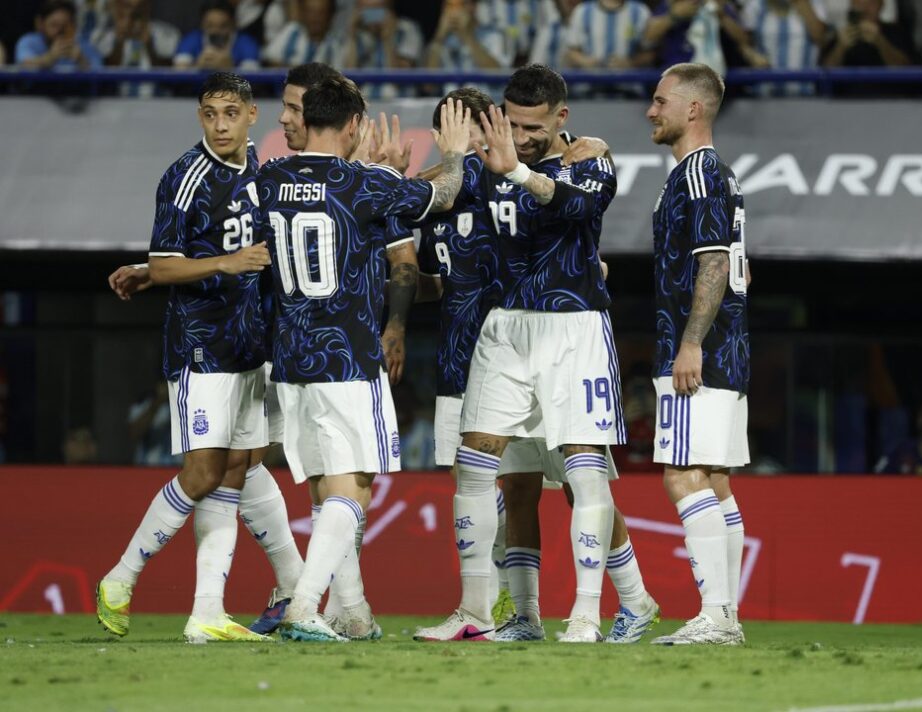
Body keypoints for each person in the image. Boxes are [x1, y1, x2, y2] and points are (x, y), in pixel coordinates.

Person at [414, 64, 625, 644]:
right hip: (505, 329)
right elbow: (429, 198)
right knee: (477, 462)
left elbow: (580, 207)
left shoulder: (591, 159)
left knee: (584, 467)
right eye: (512, 122)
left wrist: (522, 172)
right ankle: (477, 610)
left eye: (533, 126)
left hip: (574, 327)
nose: (521, 134)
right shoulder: (491, 161)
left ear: (562, 117)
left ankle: (586, 613)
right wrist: (454, 158)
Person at [257, 77, 471, 641]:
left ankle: (351, 612)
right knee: (354, 486)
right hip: (348, 357)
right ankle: (305, 604)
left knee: (327, 485)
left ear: (306, 120)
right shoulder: (365, 182)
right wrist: (449, 154)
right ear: (353, 125)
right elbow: (444, 193)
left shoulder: (270, 178)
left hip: (291, 360)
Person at [96, 72, 272, 644]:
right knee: (200, 473)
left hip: (250, 347)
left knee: (236, 470)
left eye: (229, 112)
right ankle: (120, 577)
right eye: (209, 113)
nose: (219, 124)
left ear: (251, 115)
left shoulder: (261, 174)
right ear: (201, 117)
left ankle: (207, 613)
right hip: (201, 345)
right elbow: (170, 263)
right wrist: (222, 262)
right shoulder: (184, 175)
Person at [645, 62, 748, 645]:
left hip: (696, 352)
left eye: (661, 101)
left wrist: (688, 343)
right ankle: (726, 614)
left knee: (683, 476)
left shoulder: (699, 174)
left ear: (692, 109)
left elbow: (713, 262)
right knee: (715, 480)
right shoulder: (716, 174)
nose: (651, 111)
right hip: (726, 350)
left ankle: (714, 614)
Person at [340, 0, 425, 99]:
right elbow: (348, 79)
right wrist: (352, 36)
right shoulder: (357, 34)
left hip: (400, 102)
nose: (371, 14)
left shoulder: (407, 30)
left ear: (389, 8)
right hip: (364, 103)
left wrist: (387, 40)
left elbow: (399, 79)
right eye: (366, 9)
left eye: (376, 9)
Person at [821, 0, 916, 69]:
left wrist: (880, 42)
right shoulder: (841, 35)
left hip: (889, 94)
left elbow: (909, 70)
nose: (864, 9)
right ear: (852, 5)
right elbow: (824, 74)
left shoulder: (896, 32)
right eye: (859, 2)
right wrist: (840, 48)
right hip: (849, 95)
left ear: (881, 5)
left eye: (871, 3)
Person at [174, 0, 261, 70]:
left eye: (223, 26)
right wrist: (197, 66)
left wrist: (230, 68)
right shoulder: (192, 39)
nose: (216, 31)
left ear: (233, 24)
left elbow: (253, 77)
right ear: (202, 24)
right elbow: (179, 69)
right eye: (210, 25)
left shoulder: (246, 42)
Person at [16, 0, 104, 70]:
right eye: (54, 25)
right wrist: (50, 57)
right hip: (35, 92)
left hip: (73, 92)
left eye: (65, 25)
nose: (60, 31)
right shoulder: (29, 42)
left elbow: (100, 73)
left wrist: (81, 60)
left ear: (74, 26)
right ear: (42, 25)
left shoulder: (84, 46)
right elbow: (25, 65)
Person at [263, 0, 346, 68]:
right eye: (311, 12)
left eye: (321, 13)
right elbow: (270, 59)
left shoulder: (335, 43)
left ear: (329, 15)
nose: (315, 17)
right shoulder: (292, 31)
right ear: (303, 13)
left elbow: (338, 75)